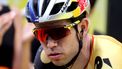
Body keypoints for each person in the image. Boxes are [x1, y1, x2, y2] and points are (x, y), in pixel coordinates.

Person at [25, 0, 122, 69]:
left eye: (59, 32)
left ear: (83, 28)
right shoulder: (45, 59)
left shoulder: (113, 58)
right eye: (41, 34)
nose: (50, 44)